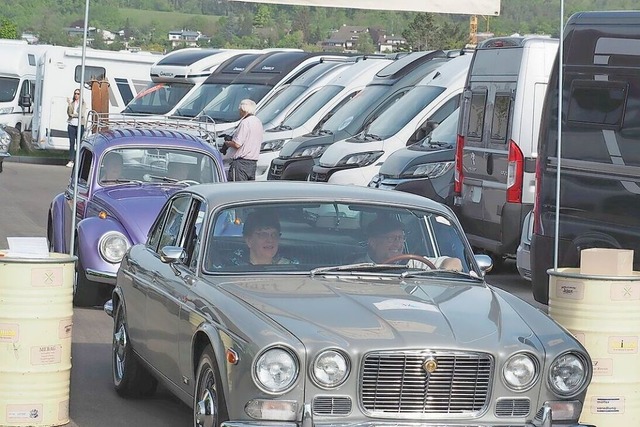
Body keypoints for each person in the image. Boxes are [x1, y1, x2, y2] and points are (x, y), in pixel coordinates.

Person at [359, 217, 463, 271]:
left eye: (400, 238)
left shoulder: (413, 264)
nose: (397, 244)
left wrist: (442, 275)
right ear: (373, 242)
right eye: (391, 239)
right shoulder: (356, 267)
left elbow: (454, 262)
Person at [223, 99, 263, 181]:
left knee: (235, 189)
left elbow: (237, 144)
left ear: (243, 109)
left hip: (241, 163)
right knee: (247, 191)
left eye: (240, 110)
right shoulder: (258, 122)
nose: (239, 112)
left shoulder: (245, 122)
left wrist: (227, 143)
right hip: (253, 163)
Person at [66, 89, 87, 168]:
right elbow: (69, 113)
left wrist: (73, 115)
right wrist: (69, 104)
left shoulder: (83, 104)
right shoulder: (72, 103)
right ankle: (71, 160)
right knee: (71, 143)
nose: (76, 95)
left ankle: (79, 160)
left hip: (80, 125)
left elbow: (81, 114)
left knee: (79, 143)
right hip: (71, 125)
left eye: (78, 94)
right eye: (75, 93)